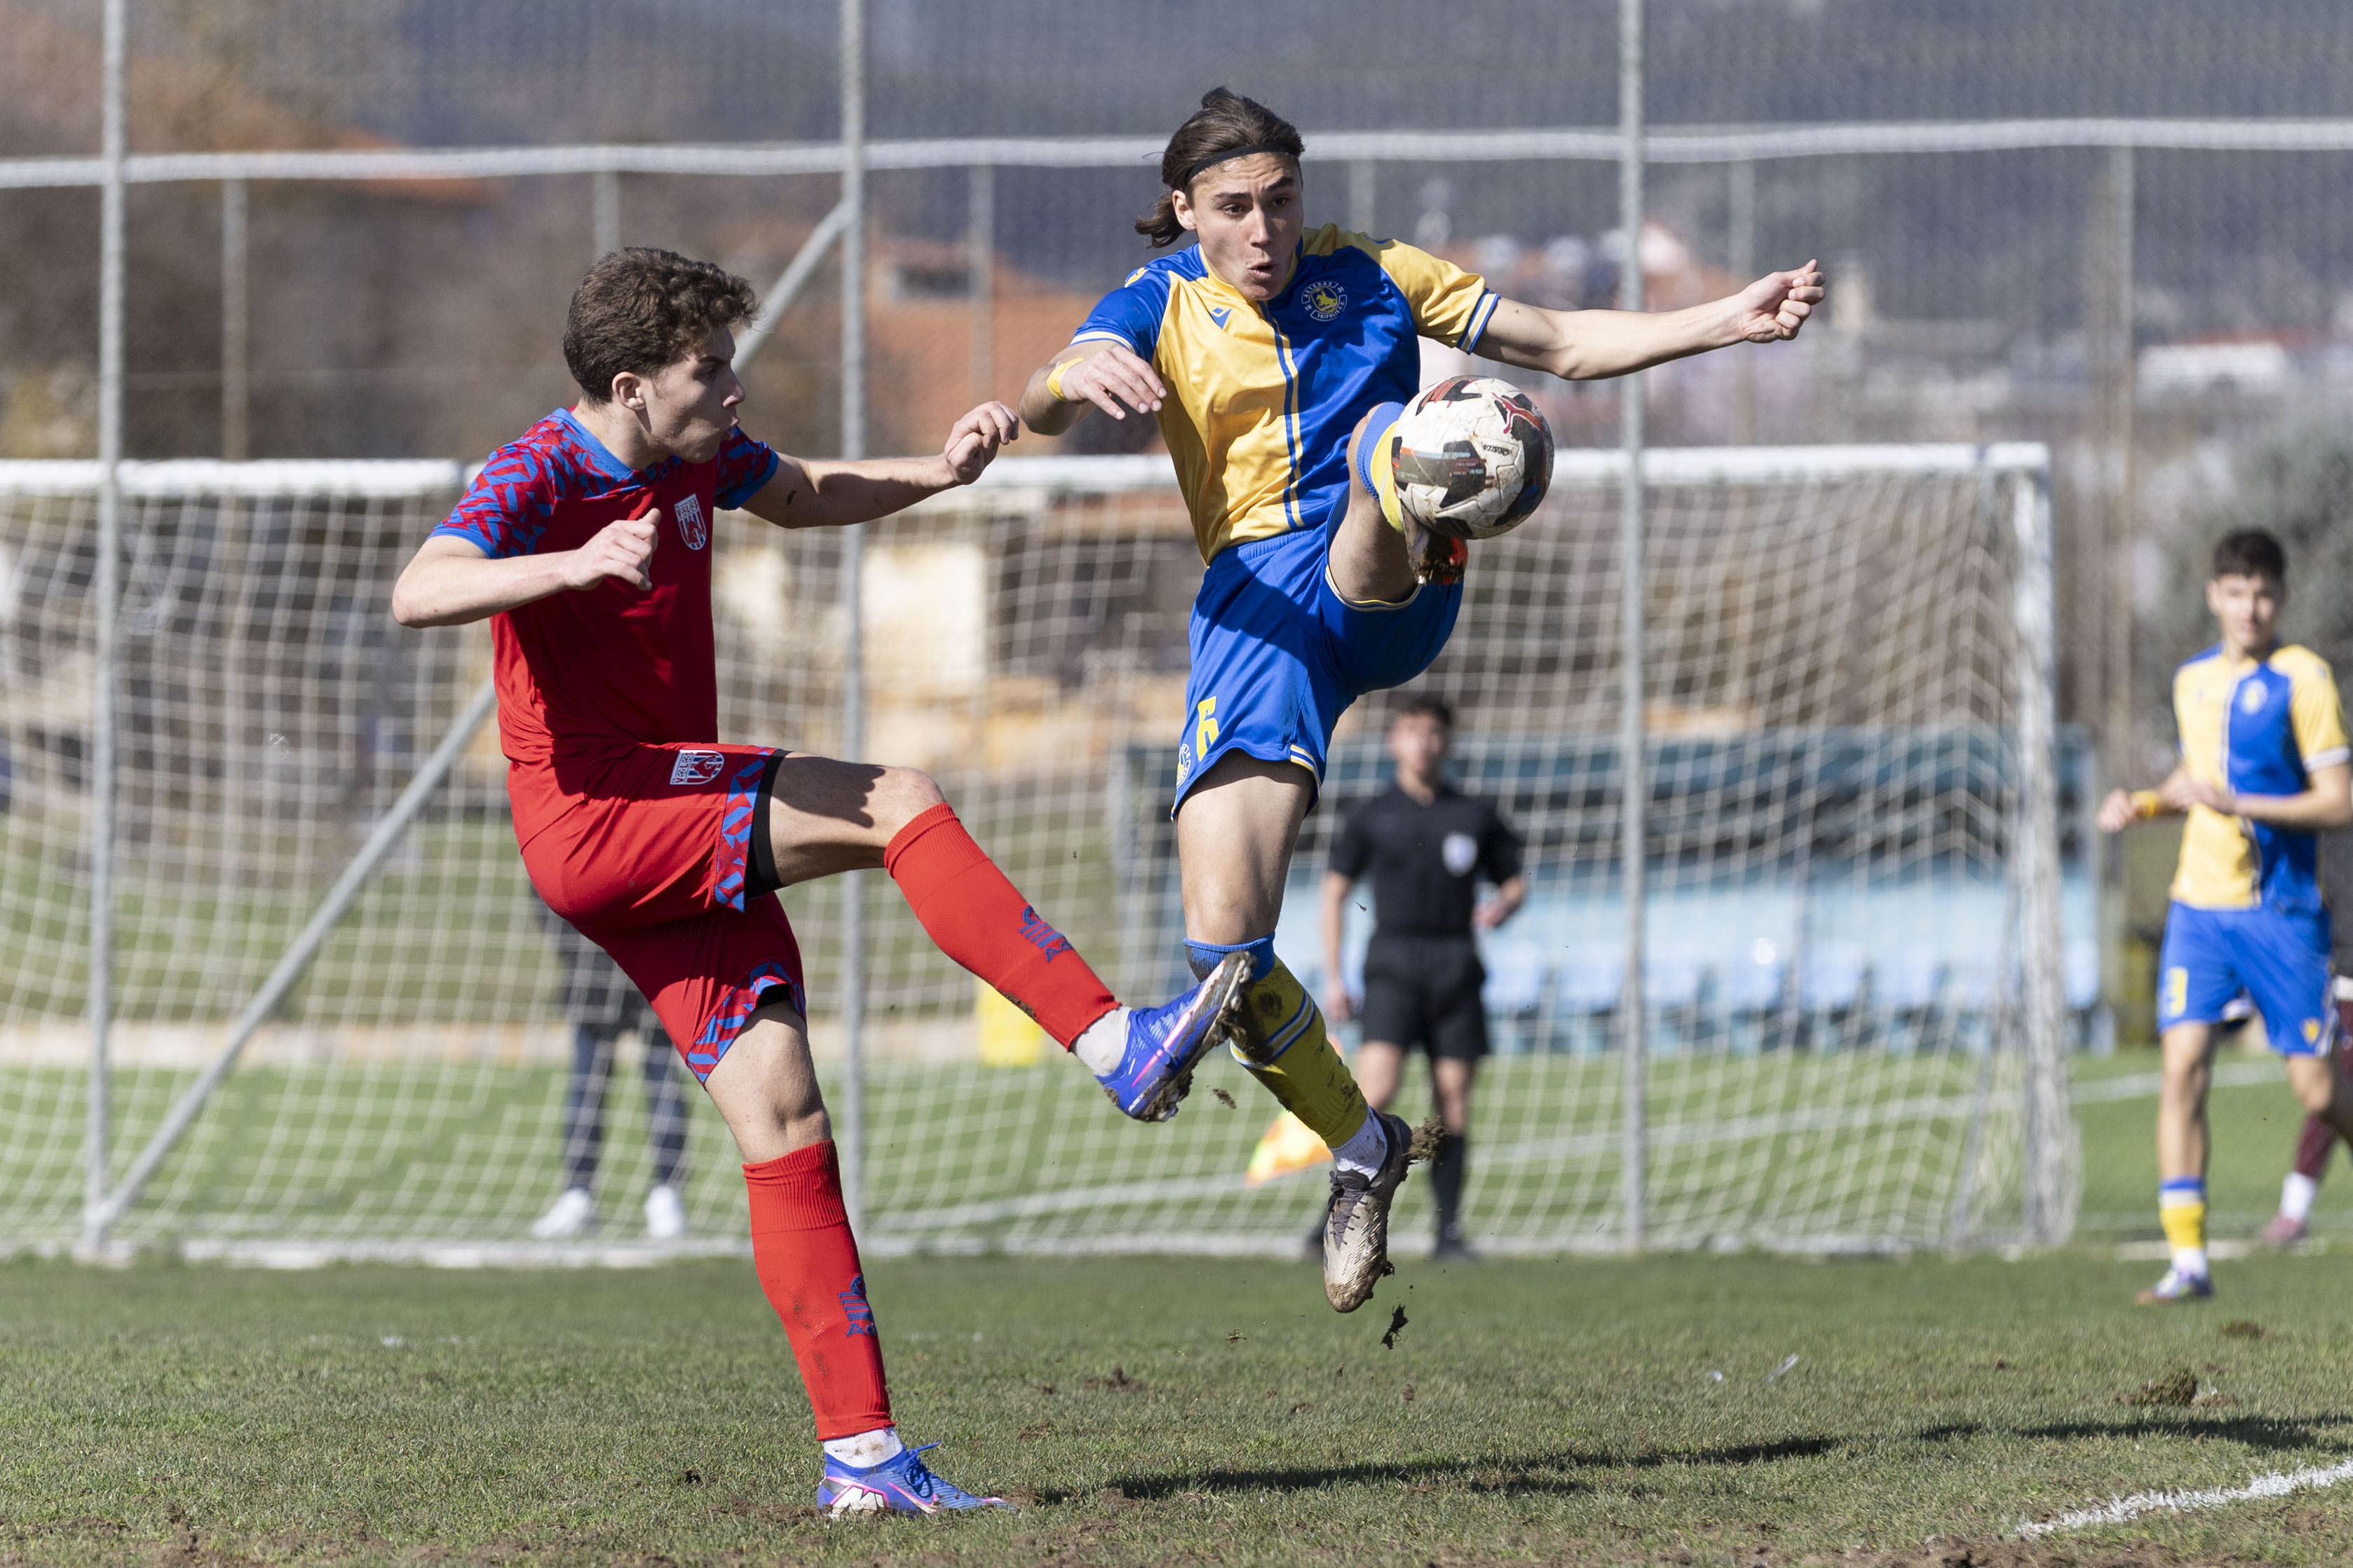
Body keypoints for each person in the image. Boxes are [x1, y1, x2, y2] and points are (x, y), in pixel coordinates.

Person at [391, 247, 1252, 1515]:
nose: (731, 388)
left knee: (786, 1122)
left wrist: (944, 474)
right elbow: (421, 590)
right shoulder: (539, 471)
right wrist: (572, 565)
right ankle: (1114, 1041)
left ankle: (864, 1460)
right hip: (605, 811)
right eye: (709, 370)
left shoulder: (693, 453)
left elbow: (802, 492)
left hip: (653, 819)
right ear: (630, 387)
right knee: (899, 797)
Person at [1018, 86, 1820, 1311]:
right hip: (1258, 619)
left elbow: (1560, 343)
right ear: (1184, 210)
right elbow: (1043, 403)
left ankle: (1406, 485)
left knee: (1381, 436)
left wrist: (1729, 320)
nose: (1263, 228)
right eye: (1233, 207)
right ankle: (1363, 1150)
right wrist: (1066, 373)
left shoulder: (1380, 274)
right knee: (1226, 953)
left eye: (1281, 199)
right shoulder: (1154, 304)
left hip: (1382, 571)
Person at [2096, 528, 2353, 1303]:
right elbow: (2195, 777)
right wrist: (2144, 803)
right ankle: (2188, 1262)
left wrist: (2240, 802)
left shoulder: (2303, 679)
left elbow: (2338, 802)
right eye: (2236, 593)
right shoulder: (2192, 681)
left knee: (2317, 1092)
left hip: (2281, 910)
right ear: (2214, 595)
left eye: (2263, 594)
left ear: (2281, 598)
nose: (2250, 608)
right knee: (2181, 1068)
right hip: (2199, 910)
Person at [1319, 694, 1524, 1261]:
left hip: (1456, 964)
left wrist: (1505, 906)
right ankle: (1333, 1220)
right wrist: (1334, 976)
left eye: (1433, 732)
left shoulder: (1474, 813)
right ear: (1394, 740)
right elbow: (1334, 892)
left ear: (1447, 741)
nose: (1423, 742)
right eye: (1411, 730)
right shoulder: (1372, 815)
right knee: (1374, 1092)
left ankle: (1448, 1231)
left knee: (1451, 1101)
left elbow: (1514, 880)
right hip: (1392, 965)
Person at [529, 902, 691, 1241]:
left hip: (656, 978)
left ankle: (667, 1194)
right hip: (593, 980)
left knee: (663, 1084)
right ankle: (578, 1194)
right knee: (586, 1089)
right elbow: (545, 889)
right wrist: (579, 951)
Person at [2260, 829, 2353, 1245]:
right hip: (2348, 976)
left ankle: (2293, 1212)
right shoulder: (2335, 817)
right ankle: (2294, 1211)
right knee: (2332, 1092)